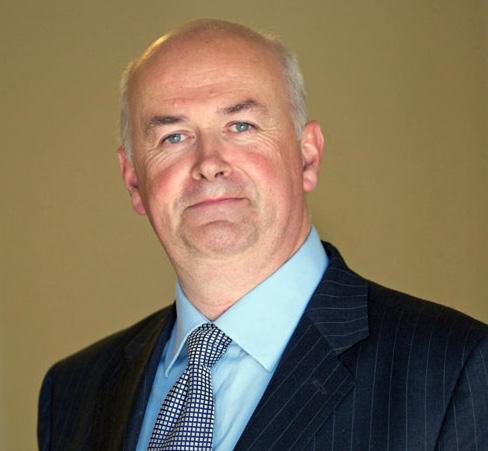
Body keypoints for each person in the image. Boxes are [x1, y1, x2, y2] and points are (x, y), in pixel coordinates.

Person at [38, 19, 488, 451]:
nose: (209, 163)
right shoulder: (74, 391)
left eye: (241, 126)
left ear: (308, 157)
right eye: (174, 137)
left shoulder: (454, 369)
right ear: (134, 179)